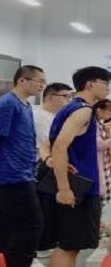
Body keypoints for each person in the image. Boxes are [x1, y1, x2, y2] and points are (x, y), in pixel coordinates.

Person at [47, 66, 111, 267]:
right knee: (69, 246)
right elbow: (59, 146)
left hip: (76, 184)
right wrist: (64, 188)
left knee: (68, 245)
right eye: (105, 83)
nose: (108, 88)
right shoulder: (83, 111)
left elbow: (50, 145)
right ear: (90, 84)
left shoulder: (70, 108)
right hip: (77, 187)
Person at [0, 65, 46, 267]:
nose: (42, 86)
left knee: (12, 227)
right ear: (22, 80)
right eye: (39, 81)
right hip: (11, 176)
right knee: (31, 224)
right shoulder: (8, 103)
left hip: (25, 173)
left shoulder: (25, 105)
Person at [33, 82, 73, 149]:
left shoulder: (60, 116)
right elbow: (48, 144)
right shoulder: (38, 116)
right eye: (65, 96)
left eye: (70, 97)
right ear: (50, 97)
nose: (70, 100)